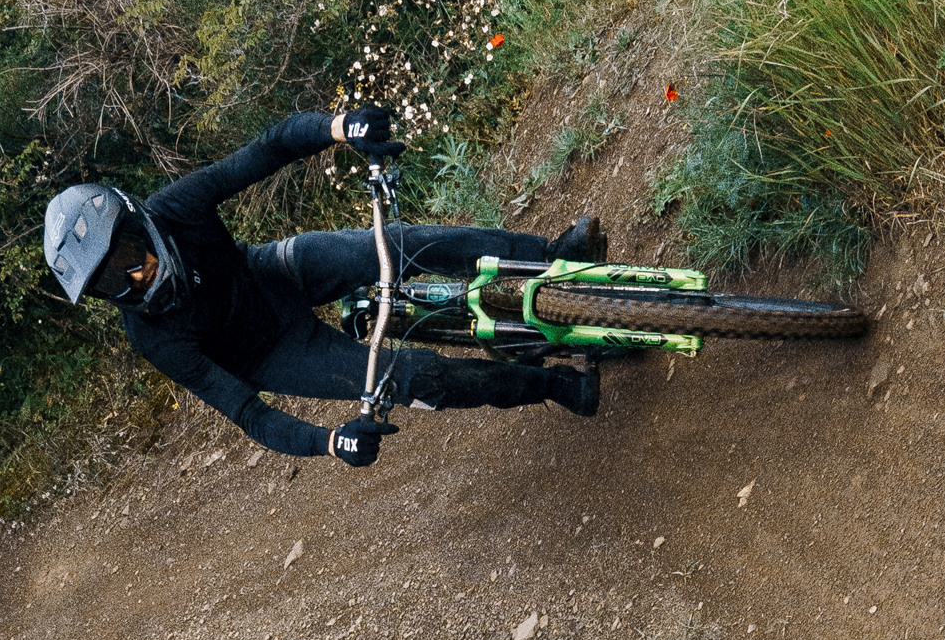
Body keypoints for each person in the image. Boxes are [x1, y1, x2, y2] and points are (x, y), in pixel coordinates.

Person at [42, 101, 604, 469]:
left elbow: (269, 148)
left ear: (136, 221)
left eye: (125, 254)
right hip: (278, 353)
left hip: (275, 273)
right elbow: (247, 412)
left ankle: (552, 255)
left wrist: (343, 128)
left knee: (398, 244)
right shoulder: (153, 338)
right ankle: (552, 386)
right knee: (415, 377)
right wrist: (331, 440)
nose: (134, 274)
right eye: (109, 279)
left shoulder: (176, 209)